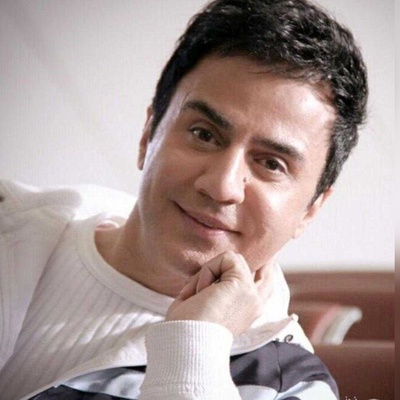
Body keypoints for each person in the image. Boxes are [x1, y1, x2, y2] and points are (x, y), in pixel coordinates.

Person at [0, 0, 368, 399]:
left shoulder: (291, 386)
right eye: (203, 134)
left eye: (271, 164)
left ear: (311, 209)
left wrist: (196, 345)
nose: (222, 186)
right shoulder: (12, 225)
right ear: (148, 135)